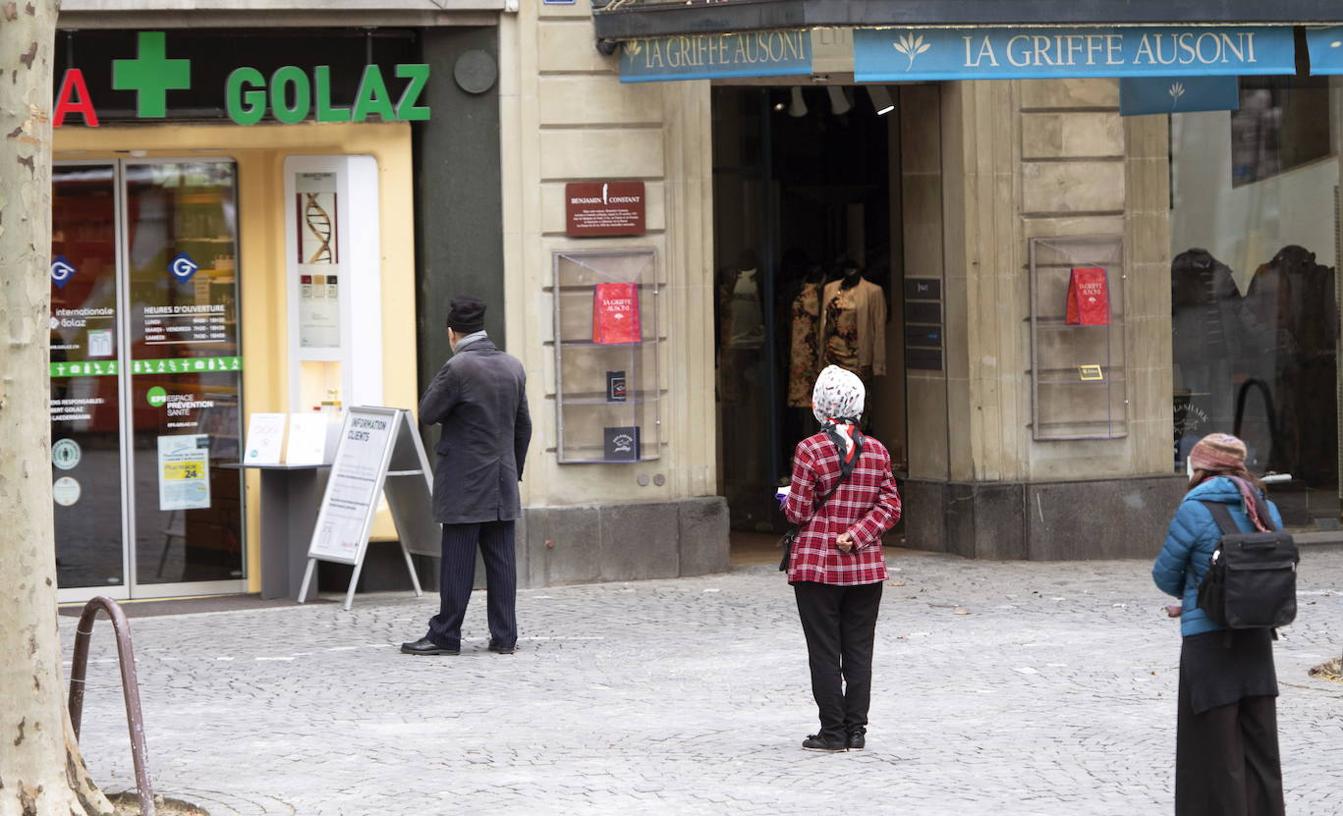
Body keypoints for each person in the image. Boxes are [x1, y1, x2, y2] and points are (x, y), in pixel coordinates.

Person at [1152, 433, 1286, 816]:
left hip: (1208, 642)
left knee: (1213, 751)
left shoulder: (1194, 510)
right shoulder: (1264, 507)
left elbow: (1165, 575)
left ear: (1202, 467)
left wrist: (1196, 592)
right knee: (1261, 748)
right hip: (1257, 639)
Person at [401, 296, 532, 657]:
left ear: (451, 333)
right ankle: (505, 637)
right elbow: (524, 427)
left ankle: (445, 635)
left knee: (458, 560)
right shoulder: (513, 366)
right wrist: (513, 470)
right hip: (502, 480)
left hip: (463, 481)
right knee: (502, 561)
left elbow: (428, 412)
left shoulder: (458, 368)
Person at [782, 365, 901, 752]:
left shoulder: (809, 449)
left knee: (824, 650)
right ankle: (856, 731)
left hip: (817, 566)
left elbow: (798, 512)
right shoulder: (878, 451)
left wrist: (784, 499)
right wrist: (857, 535)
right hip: (866, 569)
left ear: (821, 403)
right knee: (859, 650)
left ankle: (832, 731)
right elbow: (890, 507)